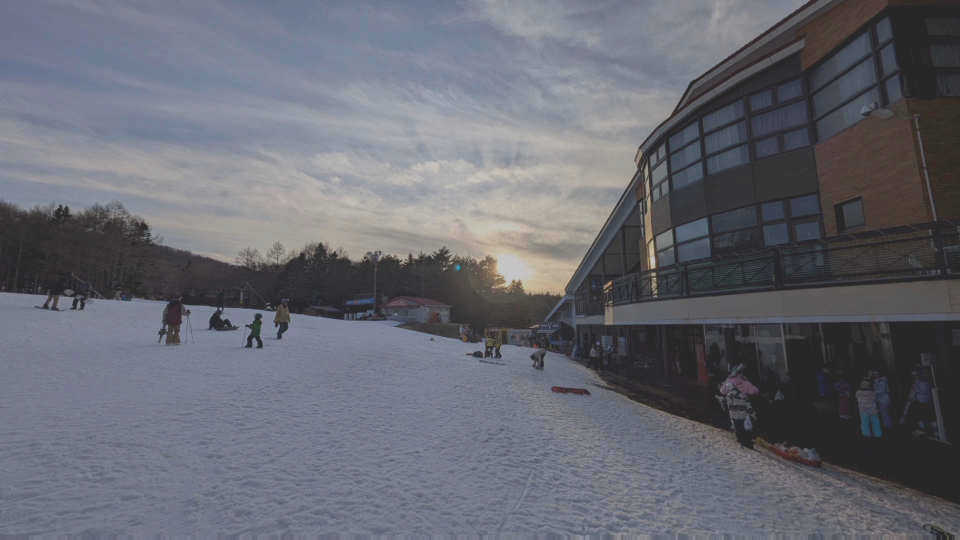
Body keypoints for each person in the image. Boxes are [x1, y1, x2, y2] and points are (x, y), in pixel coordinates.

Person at [719, 364, 759, 449]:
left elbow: (722, 391)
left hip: (733, 409)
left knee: (737, 425)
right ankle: (747, 443)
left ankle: (740, 440)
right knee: (745, 426)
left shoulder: (728, 381)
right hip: (743, 409)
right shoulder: (745, 382)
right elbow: (755, 391)